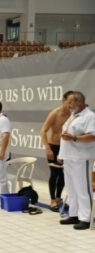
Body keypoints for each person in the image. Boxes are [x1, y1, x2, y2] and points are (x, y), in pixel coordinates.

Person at [58, 91, 95, 230]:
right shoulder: (73, 115)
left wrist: (74, 138)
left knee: (83, 189)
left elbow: (92, 136)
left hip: (81, 158)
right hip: (69, 157)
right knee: (71, 189)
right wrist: (61, 155)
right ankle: (74, 214)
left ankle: (85, 218)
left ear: (79, 101)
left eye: (70, 102)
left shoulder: (90, 116)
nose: (68, 105)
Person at [40, 91, 73, 211]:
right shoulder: (55, 113)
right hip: (53, 146)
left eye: (73, 102)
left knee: (64, 174)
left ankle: (59, 197)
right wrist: (47, 148)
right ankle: (52, 199)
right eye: (69, 102)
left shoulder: (73, 114)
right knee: (54, 174)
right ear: (63, 101)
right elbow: (43, 130)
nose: (70, 105)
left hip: (67, 148)